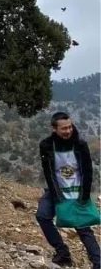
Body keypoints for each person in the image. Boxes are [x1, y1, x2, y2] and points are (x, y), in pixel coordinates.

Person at [36, 112, 101, 268]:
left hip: (77, 190)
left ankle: (98, 263)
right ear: (54, 128)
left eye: (69, 127)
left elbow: (87, 171)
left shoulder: (80, 144)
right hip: (56, 189)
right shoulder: (46, 145)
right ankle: (62, 252)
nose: (68, 131)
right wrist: (58, 197)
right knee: (43, 216)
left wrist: (84, 197)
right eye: (63, 128)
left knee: (82, 226)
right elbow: (49, 172)